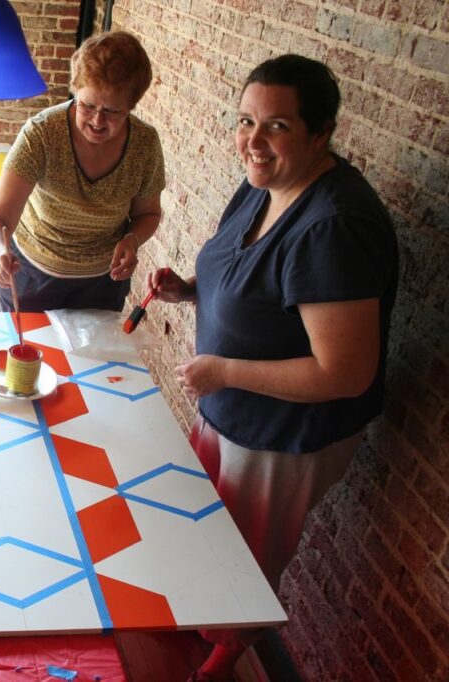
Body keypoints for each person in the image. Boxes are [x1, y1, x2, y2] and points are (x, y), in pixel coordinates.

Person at [149, 54, 398, 682]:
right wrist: (191, 291)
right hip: (228, 408)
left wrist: (225, 372)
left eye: (277, 126)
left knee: (245, 556)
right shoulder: (263, 181)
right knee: (204, 530)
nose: (253, 141)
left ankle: (223, 660)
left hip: (282, 435)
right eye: (245, 121)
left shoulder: (334, 227)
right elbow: (255, 282)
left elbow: (344, 373)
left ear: (321, 133)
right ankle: (192, 621)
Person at [0, 30, 165, 312]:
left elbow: (147, 214)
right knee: (28, 342)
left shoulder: (145, 144)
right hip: (31, 275)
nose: (97, 121)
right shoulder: (41, 133)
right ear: (75, 90)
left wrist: (132, 239)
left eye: (112, 111)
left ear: (131, 105)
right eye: (87, 105)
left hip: (103, 283)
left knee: (97, 344)